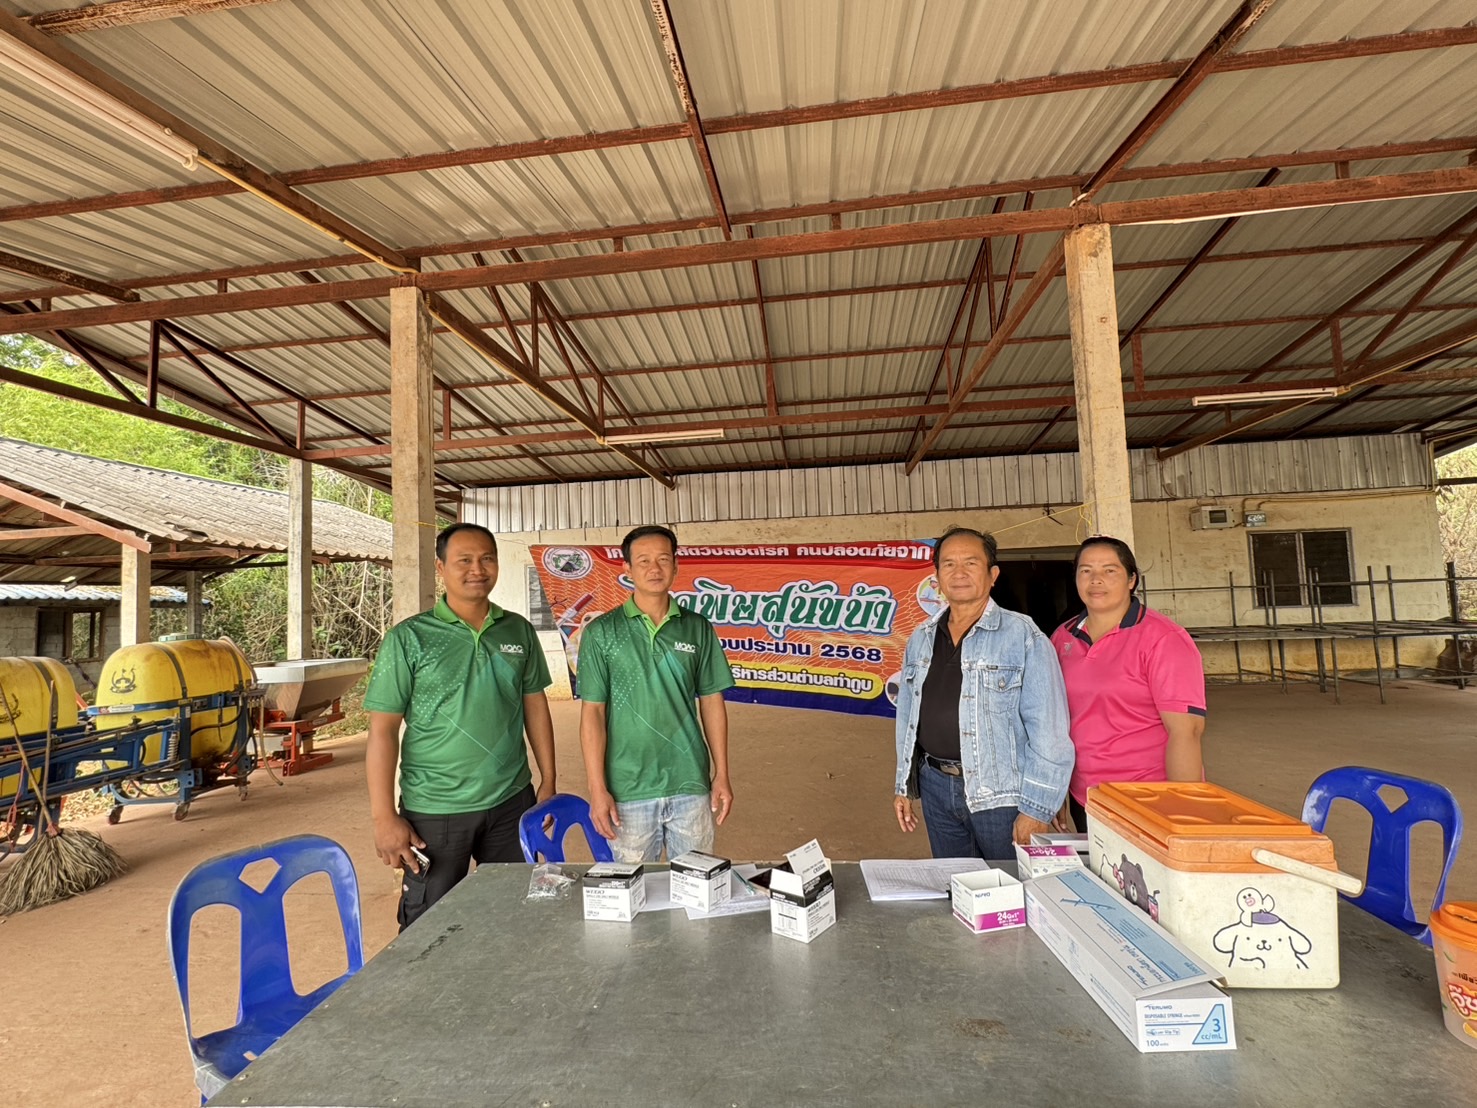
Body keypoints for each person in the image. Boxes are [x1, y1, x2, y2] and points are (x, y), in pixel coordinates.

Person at [364, 522, 556, 930]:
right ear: (441, 567)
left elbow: (535, 706)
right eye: (464, 560)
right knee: (428, 929)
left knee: (514, 915)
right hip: (435, 810)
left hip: (511, 801)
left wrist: (549, 780)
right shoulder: (409, 638)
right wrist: (384, 817)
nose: (477, 569)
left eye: (487, 558)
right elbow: (382, 731)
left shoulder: (518, 630)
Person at [893, 526, 1074, 860]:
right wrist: (903, 784)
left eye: (971, 563)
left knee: (1012, 885)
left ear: (993, 575)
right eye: (948, 564)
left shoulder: (1023, 635)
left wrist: (1037, 808)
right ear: (937, 577)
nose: (959, 572)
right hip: (935, 786)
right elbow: (907, 716)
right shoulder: (921, 637)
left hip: (1002, 794)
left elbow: (1049, 732)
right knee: (958, 884)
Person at [579, 525, 735, 863]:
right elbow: (593, 712)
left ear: (676, 566)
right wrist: (597, 788)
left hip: (690, 782)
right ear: (627, 568)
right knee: (632, 889)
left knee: (694, 885)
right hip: (627, 788)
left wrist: (721, 773)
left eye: (663, 559)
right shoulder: (601, 632)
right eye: (644, 561)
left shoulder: (697, 627)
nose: (654, 569)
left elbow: (712, 702)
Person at [1050, 536, 1206, 832]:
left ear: (1132, 579)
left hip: (1148, 797)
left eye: (1109, 570)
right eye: (1086, 570)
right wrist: (1055, 789)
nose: (1096, 580)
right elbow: (1054, 723)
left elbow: (1186, 732)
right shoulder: (1062, 638)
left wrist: (1184, 809)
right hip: (1087, 797)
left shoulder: (1164, 639)